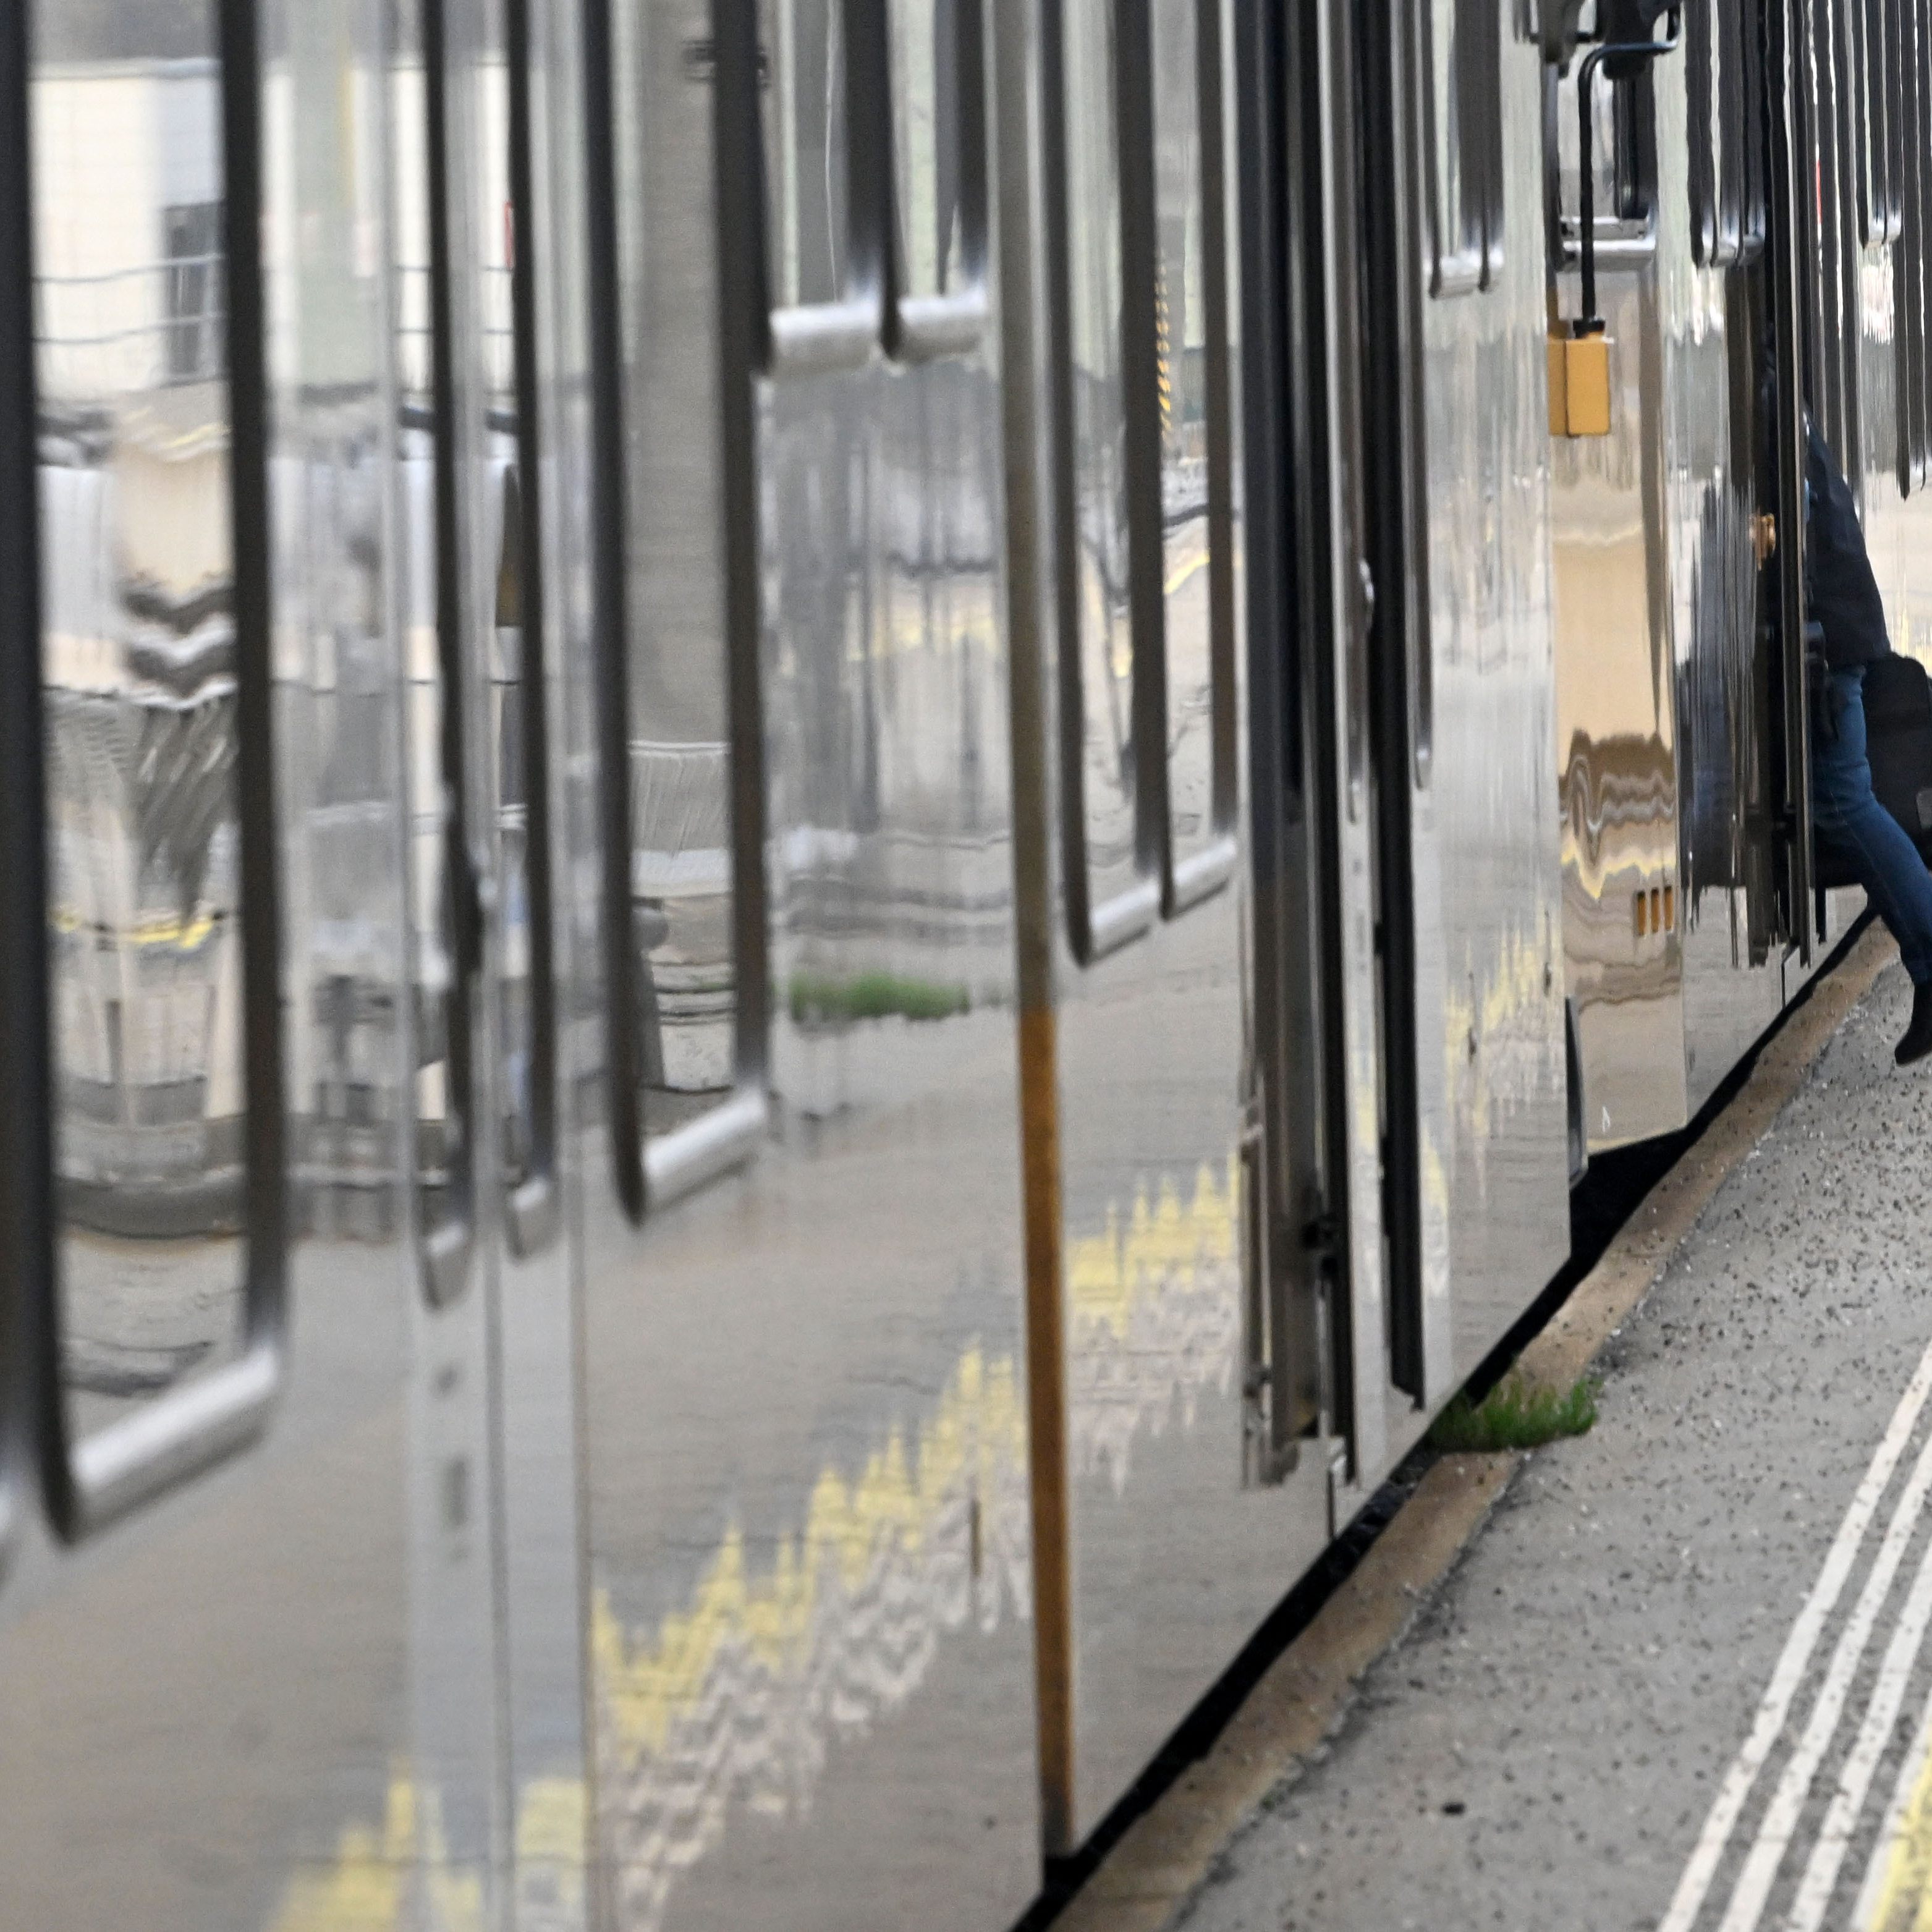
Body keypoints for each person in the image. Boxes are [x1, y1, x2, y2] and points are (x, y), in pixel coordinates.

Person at [1805, 419, 1932, 1065]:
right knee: (1843, 800)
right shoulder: (1796, 427)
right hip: (1842, 634)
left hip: (1832, 645)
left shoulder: (1771, 410)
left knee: (1844, 798)